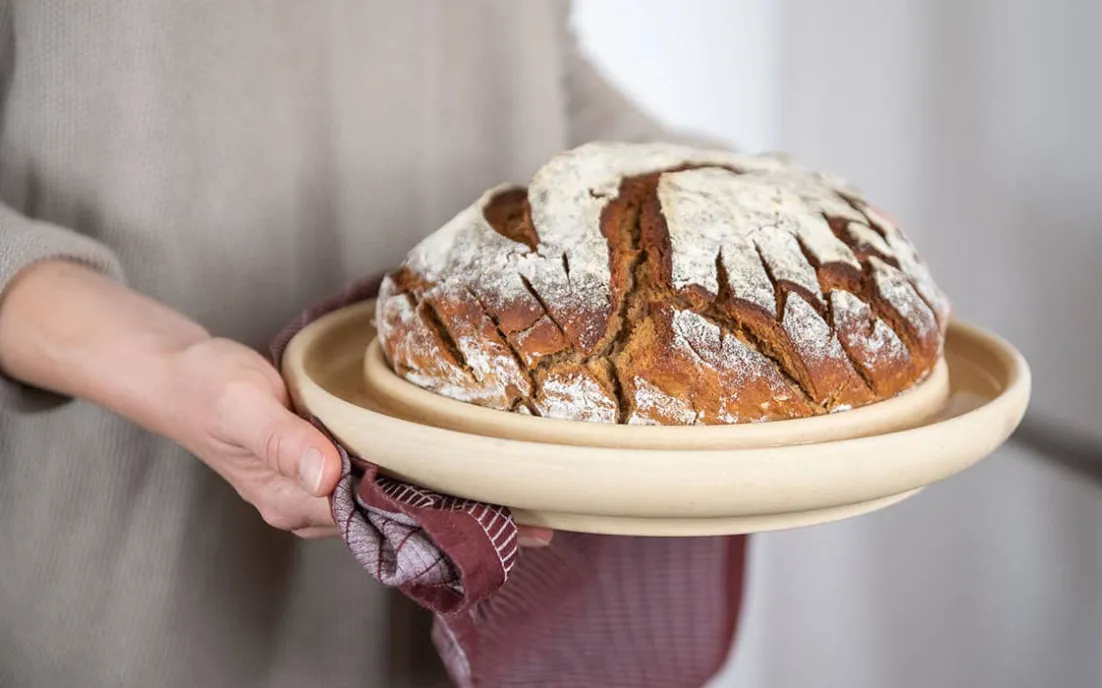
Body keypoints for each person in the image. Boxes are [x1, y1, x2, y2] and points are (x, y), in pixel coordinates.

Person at [0, 2, 713, 686]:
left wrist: (745, 209)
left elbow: (533, 67)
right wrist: (167, 367)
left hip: (482, 549)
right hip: (137, 558)